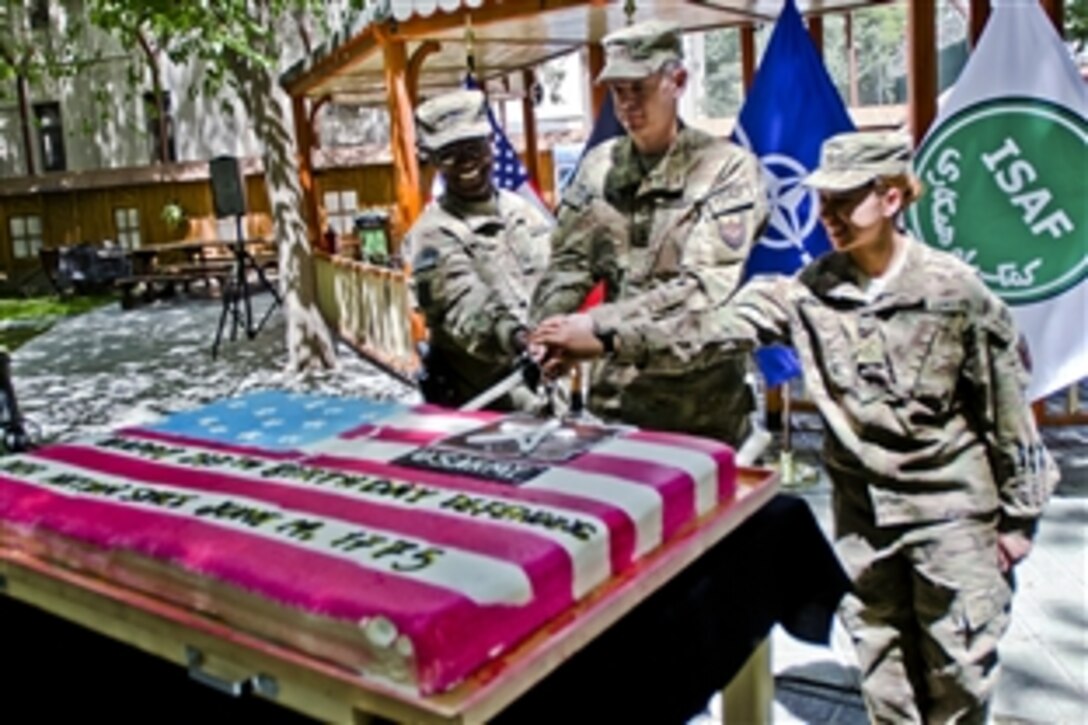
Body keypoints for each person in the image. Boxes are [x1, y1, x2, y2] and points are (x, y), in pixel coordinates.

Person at [532, 130, 1059, 723]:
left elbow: (1009, 414)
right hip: (866, 524)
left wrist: (1018, 523)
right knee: (886, 680)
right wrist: (600, 336)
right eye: (822, 200)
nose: (827, 214)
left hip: (951, 520)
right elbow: (706, 330)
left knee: (957, 680)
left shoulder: (955, 293)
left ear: (892, 198)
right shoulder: (809, 293)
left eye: (845, 199)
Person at [529, 19, 767, 446]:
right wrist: (547, 331)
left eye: (639, 87)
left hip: (702, 410)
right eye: (618, 90)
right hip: (615, 406)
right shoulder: (597, 168)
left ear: (677, 81)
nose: (627, 104)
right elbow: (569, 263)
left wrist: (598, 328)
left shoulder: (726, 170)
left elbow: (701, 289)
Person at [405, 89, 551, 410]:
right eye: (450, 154)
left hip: (551, 392)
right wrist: (517, 338)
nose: (466, 162)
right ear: (433, 160)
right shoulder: (431, 234)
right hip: (487, 406)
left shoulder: (522, 212)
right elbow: (464, 306)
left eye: (474, 147)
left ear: (491, 145)